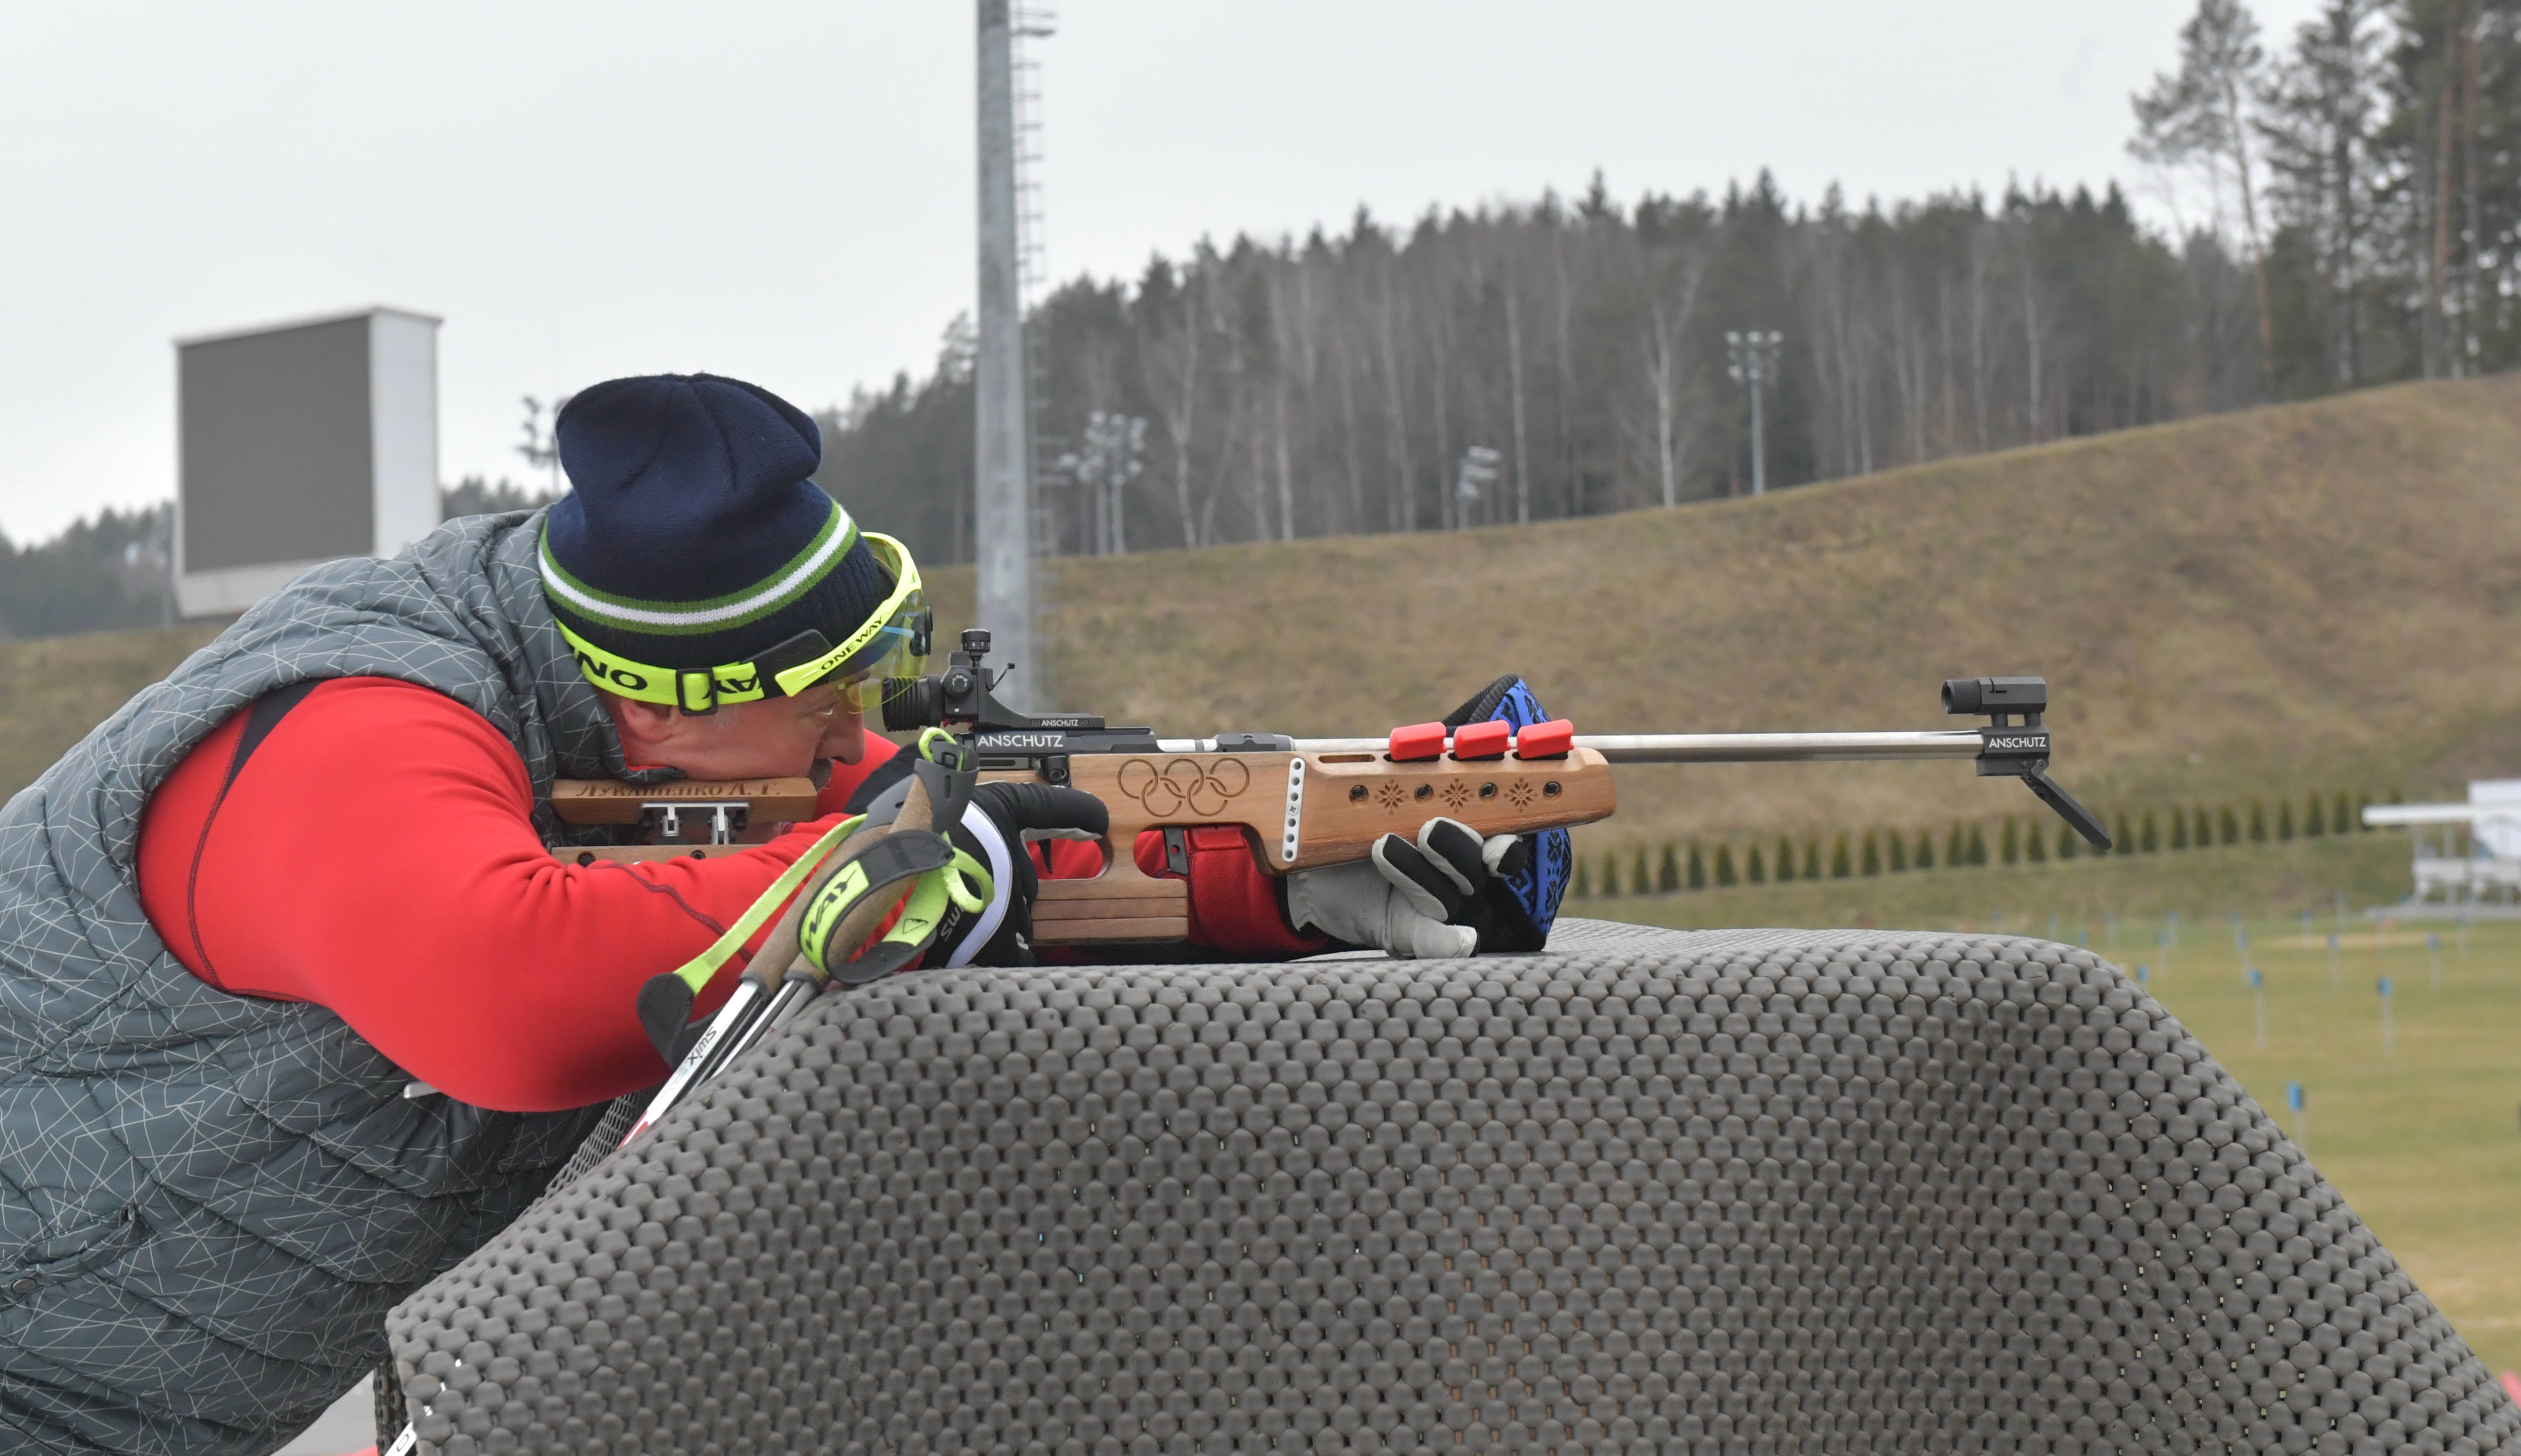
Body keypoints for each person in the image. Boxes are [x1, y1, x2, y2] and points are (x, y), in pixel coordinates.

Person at [0, 370, 1560, 1455]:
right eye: (821, 720)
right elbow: (512, 991)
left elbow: (964, 831)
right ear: (662, 713)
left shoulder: (654, 729)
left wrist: (1279, 875)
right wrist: (885, 867)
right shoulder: (349, 726)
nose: (846, 750)